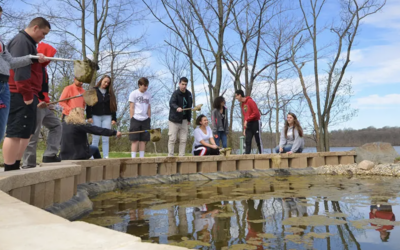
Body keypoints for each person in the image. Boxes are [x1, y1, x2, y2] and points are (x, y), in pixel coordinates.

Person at [2, 17, 51, 171]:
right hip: (20, 93)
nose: (44, 37)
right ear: (35, 28)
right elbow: (19, 72)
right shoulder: (21, 41)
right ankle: (9, 169)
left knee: (26, 132)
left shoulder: (29, 44)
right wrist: (27, 95)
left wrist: (35, 59)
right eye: (43, 33)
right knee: (16, 131)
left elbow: (22, 62)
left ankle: (16, 165)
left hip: (29, 93)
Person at [22, 42, 62, 168]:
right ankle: (28, 163)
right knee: (33, 132)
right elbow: (29, 86)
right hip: (35, 104)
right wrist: (38, 101)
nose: (50, 60)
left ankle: (50, 155)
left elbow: (43, 88)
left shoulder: (43, 69)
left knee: (56, 125)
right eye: (49, 56)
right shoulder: (32, 67)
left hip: (45, 105)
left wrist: (48, 102)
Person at [86, 75, 117, 159]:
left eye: (108, 83)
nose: (106, 84)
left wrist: (114, 118)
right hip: (95, 116)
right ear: (101, 81)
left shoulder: (110, 93)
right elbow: (89, 105)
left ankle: (106, 156)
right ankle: (92, 155)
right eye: (105, 81)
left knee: (105, 137)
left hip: (107, 116)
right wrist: (89, 116)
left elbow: (113, 106)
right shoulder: (94, 91)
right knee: (95, 137)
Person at [168, 77, 193, 157]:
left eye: (185, 84)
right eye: (182, 84)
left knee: (183, 139)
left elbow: (190, 106)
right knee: (172, 139)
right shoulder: (175, 93)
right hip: (174, 120)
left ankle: (181, 155)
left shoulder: (189, 94)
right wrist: (177, 108)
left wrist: (189, 119)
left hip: (185, 120)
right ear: (179, 84)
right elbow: (171, 103)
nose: (184, 86)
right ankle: (170, 155)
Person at [128, 77, 151, 158]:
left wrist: (149, 117)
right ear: (140, 85)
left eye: (147, 85)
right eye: (144, 85)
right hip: (136, 119)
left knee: (143, 140)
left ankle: (142, 157)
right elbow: (131, 107)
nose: (146, 87)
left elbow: (149, 107)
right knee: (135, 139)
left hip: (145, 119)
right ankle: (133, 158)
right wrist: (132, 118)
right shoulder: (133, 93)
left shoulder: (148, 95)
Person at [235, 90, 263, 154]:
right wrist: (244, 129)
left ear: (240, 95)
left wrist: (247, 119)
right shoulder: (242, 105)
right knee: (248, 140)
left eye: (236, 96)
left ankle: (262, 153)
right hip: (249, 123)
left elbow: (256, 113)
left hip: (255, 122)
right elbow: (245, 116)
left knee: (258, 139)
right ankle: (247, 155)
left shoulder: (250, 101)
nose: (236, 98)